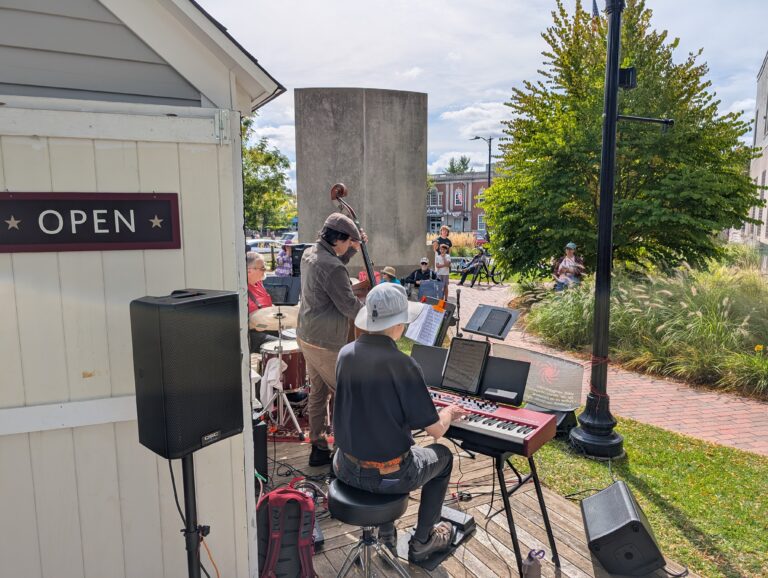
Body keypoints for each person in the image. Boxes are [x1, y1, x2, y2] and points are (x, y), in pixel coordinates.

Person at [333, 283, 467, 562]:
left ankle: (386, 535)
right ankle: (423, 540)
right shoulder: (403, 364)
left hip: (344, 466)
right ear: (398, 324)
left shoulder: (345, 353)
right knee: (443, 457)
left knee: (384, 445)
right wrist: (449, 412)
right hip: (389, 478)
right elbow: (435, 431)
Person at [297, 213, 366, 467]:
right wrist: (377, 317)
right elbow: (349, 306)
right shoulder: (333, 267)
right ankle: (343, 452)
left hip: (307, 334)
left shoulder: (310, 253)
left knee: (318, 392)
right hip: (325, 342)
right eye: (348, 242)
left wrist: (353, 248)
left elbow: (334, 264)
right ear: (339, 239)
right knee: (345, 392)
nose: (349, 247)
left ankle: (318, 447)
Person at [246, 253, 278, 352]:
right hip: (253, 333)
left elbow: (268, 304)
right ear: (249, 270)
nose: (265, 270)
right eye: (262, 268)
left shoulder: (259, 283)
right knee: (281, 345)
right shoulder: (242, 289)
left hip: (267, 326)